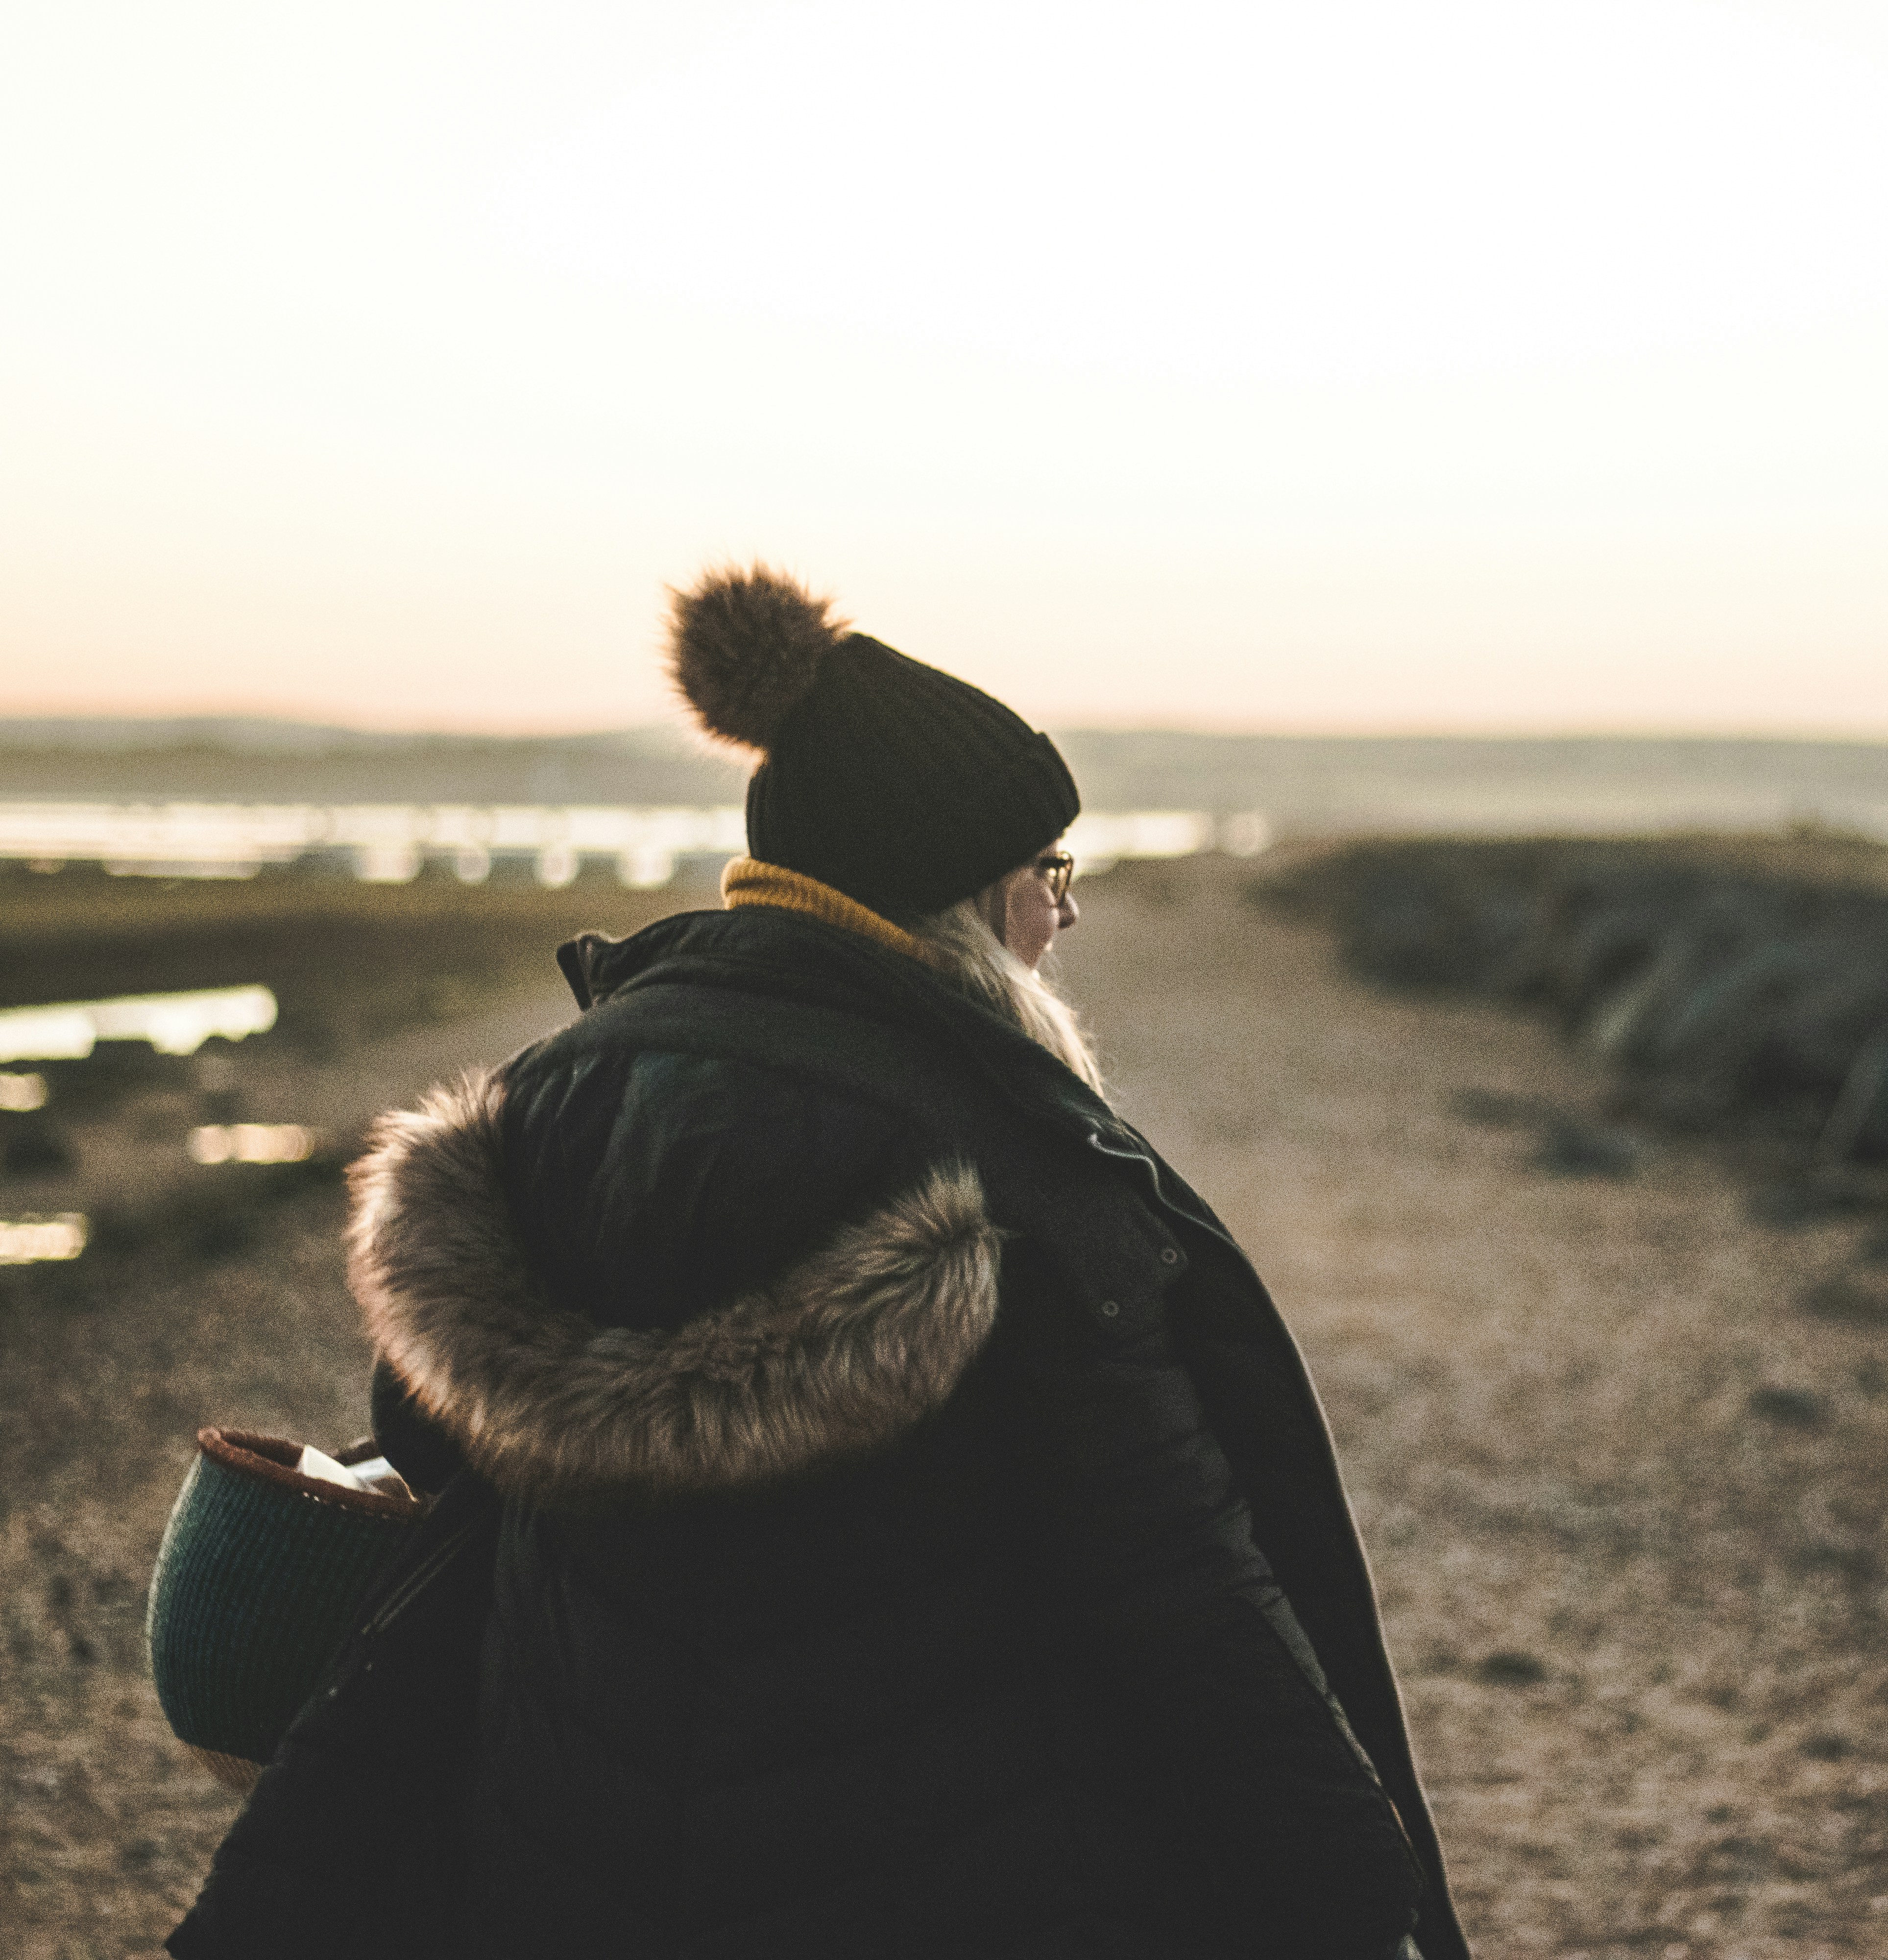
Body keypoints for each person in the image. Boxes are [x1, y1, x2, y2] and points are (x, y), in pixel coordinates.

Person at [168, 567, 1470, 1960]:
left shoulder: (556, 1091)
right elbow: (1179, 1591)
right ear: (962, 895)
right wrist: (1360, 1887)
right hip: (929, 1871)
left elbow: (423, 1429)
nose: (1066, 916)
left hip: (571, 1857)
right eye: (1049, 874)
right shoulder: (1002, 1166)